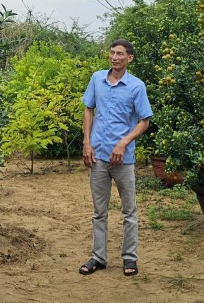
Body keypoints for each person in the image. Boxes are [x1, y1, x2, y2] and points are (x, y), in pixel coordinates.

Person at [78, 39, 153, 278]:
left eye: (120, 54)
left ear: (129, 58)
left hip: (123, 159)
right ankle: (98, 257)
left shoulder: (136, 86)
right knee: (99, 211)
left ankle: (129, 257)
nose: (114, 57)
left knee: (129, 211)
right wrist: (86, 142)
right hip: (98, 155)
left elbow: (145, 121)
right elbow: (88, 109)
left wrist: (123, 143)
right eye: (112, 53)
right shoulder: (97, 79)